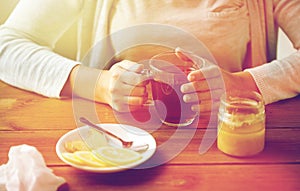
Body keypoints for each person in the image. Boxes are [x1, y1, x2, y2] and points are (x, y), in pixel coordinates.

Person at [0, 0, 299, 113]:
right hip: (118, 146)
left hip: (236, 144)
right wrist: (99, 84)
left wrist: (241, 84)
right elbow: (7, 46)